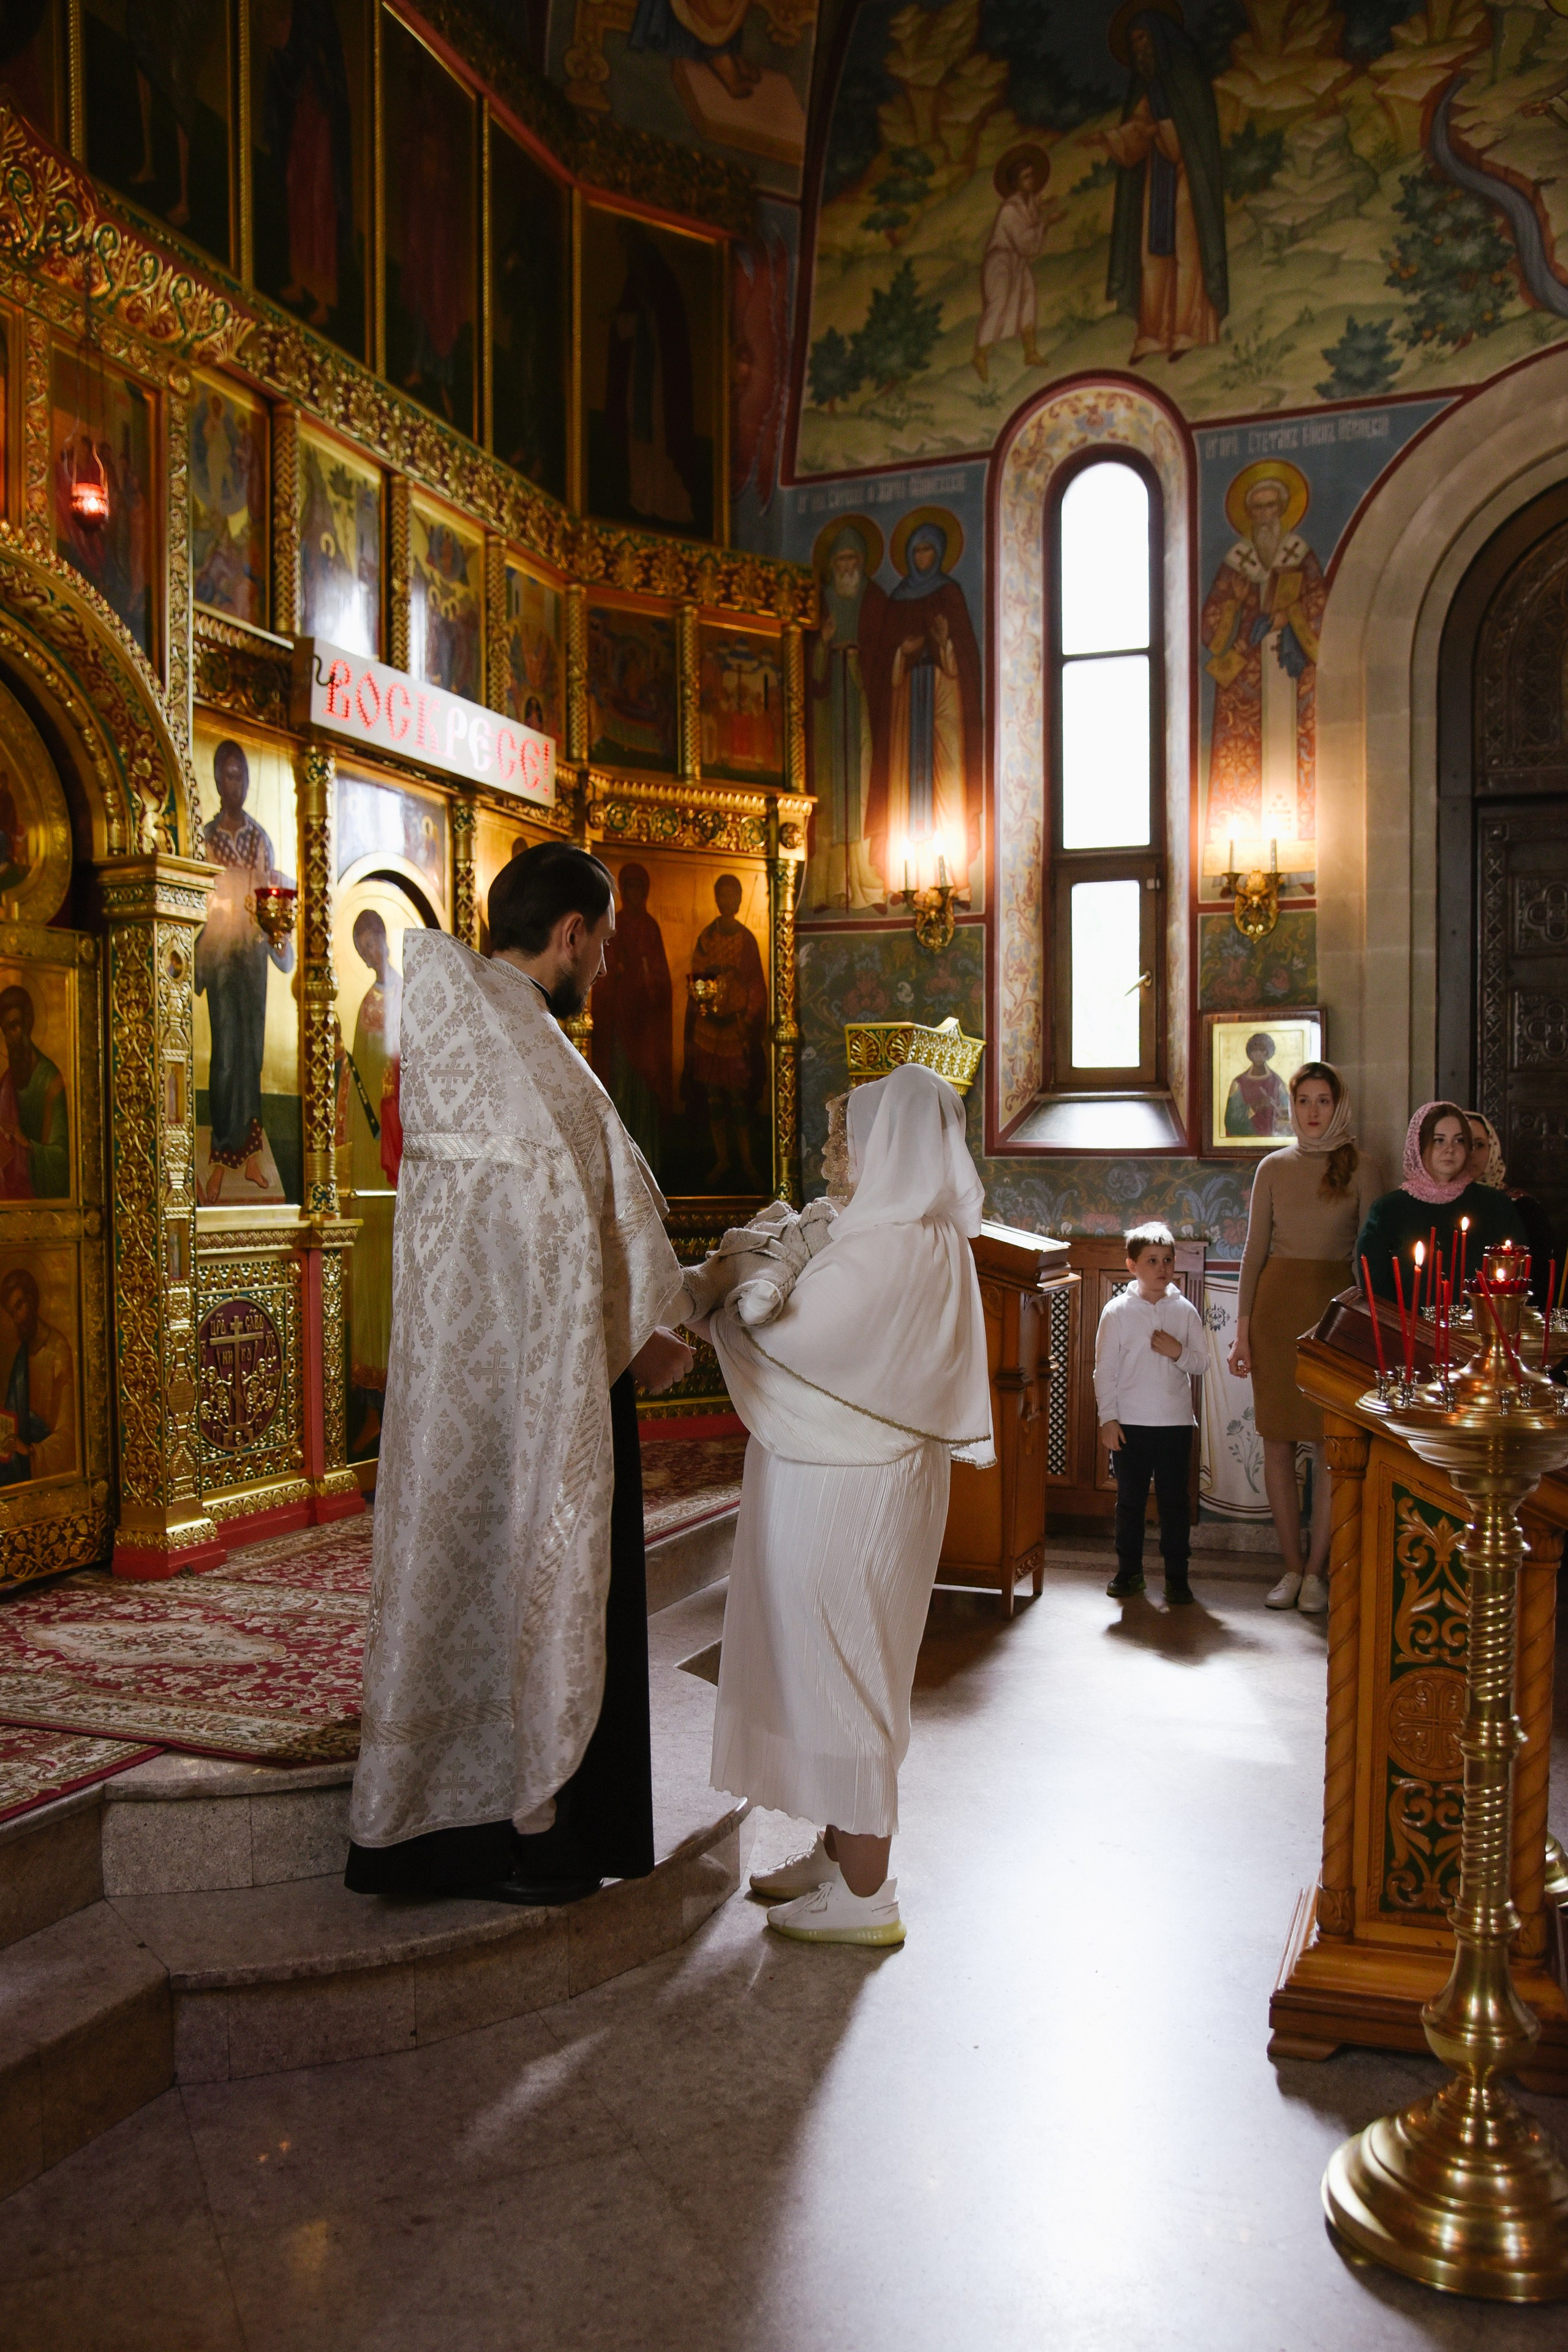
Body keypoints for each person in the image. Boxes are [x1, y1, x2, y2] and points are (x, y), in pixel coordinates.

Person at [345, 843, 693, 1905]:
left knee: (456, 1570)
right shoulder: (539, 1059)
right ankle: (538, 1830)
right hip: (546, 1381)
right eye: (607, 942)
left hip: (460, 1373)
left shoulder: (461, 1028)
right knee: (532, 1572)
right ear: (574, 934)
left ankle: (427, 1829)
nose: (605, 964)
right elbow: (617, 1235)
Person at [702, 1063, 992, 1948]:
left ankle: (867, 1893)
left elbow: (791, 1344)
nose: (845, 1150)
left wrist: (724, 1298)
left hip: (848, 1495)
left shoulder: (893, 1247)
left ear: (891, 1145)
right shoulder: (922, 1234)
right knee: (836, 1656)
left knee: (843, 1663)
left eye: (855, 1135)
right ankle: (837, 1852)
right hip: (857, 1484)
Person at [1227, 1063, 1381, 1614]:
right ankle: (1290, 1568)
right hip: (1273, 1314)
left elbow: (1370, 1262)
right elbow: (1253, 1254)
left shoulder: (1363, 1167)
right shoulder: (1272, 1167)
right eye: (1304, 1102)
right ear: (1292, 1108)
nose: (1313, 1112)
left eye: (1323, 1101)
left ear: (1338, 1105)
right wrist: (1242, 1335)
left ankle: (1319, 1573)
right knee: (1277, 1440)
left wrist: (1364, 1331)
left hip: (1335, 1315)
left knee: (1329, 1446)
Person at [195, 739, 294, 1203]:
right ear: (217, 780)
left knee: (251, 1057)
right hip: (220, 958)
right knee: (226, 1057)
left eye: (242, 775)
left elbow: (267, 896)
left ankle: (251, 1158)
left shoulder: (258, 838)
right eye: (228, 775)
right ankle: (219, 1157)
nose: (236, 783)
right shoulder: (207, 836)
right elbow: (197, 898)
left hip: (251, 956)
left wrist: (274, 934)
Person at [1095, 1223, 1207, 1606]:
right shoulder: (1117, 1312)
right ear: (1132, 1266)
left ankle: (1177, 1577)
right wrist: (1108, 1419)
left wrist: (1178, 1352)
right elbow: (1104, 1371)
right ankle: (1129, 1572)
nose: (1162, 1268)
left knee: (1176, 1504)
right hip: (1130, 1425)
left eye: (1168, 1261)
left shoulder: (1185, 1311)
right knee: (1130, 1502)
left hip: (1175, 1425)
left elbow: (1203, 1364)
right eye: (1152, 1261)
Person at [1355, 1101, 1529, 1305]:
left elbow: (1517, 1272)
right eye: (1439, 1140)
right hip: (1410, 1331)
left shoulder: (1495, 1205)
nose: (1450, 1150)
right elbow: (1376, 1287)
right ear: (1419, 1145)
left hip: (1477, 1331)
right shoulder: (1389, 1210)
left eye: (1459, 1141)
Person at [971, 145, 1062, 383]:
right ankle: (980, 354)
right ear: (1016, 182)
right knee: (999, 304)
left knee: (1028, 299)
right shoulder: (1009, 210)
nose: (1031, 181)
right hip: (1001, 261)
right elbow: (1026, 242)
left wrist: (1045, 207)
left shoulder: (1027, 201)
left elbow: (1033, 209)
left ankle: (1030, 353)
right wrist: (1047, 224)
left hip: (1017, 261)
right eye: (1026, 177)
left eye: (1032, 175)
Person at [1464, 1110, 1557, 1306]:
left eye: (1479, 1145)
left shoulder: (1522, 1207)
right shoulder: (1439, 1205)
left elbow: (1539, 1276)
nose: (1470, 1152)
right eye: (1462, 1143)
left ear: (1493, 1148)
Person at [0, 1267, 75, 1486]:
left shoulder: (58, 1351)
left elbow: (70, 1435)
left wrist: (32, 1450)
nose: (17, 1319)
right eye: (11, 1313)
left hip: (40, 1463)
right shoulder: (22, 1356)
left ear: (33, 1300)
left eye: (19, 1306)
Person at [0, 984, 67, 1199]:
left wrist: (27, 1143)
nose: (11, 1037)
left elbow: (62, 1156)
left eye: (15, 1026)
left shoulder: (50, 1081)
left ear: (28, 1024)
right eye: (5, 1031)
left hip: (36, 1193)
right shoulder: (7, 1081)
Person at [1223, 1030, 1290, 1139]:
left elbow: (1288, 1114)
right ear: (1250, 1053)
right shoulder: (1239, 1083)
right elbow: (1231, 1121)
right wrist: (1254, 1107)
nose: (1258, 1054)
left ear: (1268, 1053)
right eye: (1254, 1050)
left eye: (1262, 1050)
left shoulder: (1277, 1082)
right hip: (1247, 1137)